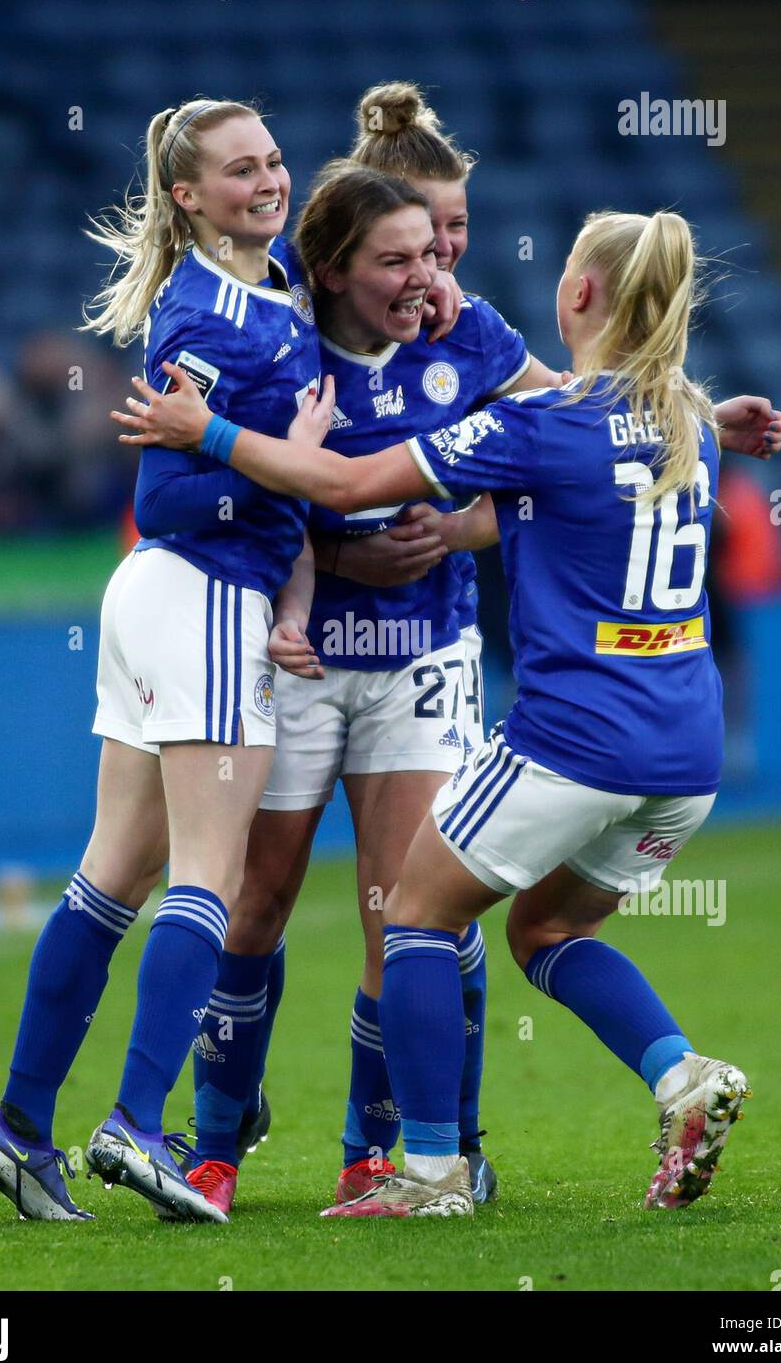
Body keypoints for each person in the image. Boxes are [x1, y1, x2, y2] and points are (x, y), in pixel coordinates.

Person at [113, 208, 781, 1217]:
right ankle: (680, 1075)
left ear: (576, 296)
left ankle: (429, 1170)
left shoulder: (538, 422)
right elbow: (529, 500)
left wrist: (202, 430)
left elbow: (345, 480)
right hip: (684, 756)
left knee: (416, 914)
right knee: (543, 932)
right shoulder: (683, 425)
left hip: (573, 742)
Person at [157, 161, 570, 1218]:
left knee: (402, 914)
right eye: (397, 258)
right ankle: (213, 1148)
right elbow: (224, 489)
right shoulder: (280, 338)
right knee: (254, 903)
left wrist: (469, 527)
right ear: (331, 271)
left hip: (422, 659)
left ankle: (369, 1152)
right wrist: (333, 566)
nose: (425, 275)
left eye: (434, 251)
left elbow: (581, 425)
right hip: (295, 655)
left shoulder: (465, 336)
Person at [0, 96, 324, 1224]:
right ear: (185, 195)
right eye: (238, 171)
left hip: (159, 604)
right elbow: (170, 492)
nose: (267, 181)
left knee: (110, 875)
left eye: (272, 160)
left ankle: (19, 1128)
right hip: (205, 595)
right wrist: (289, 463)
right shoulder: (214, 316)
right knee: (206, 878)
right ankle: (135, 1122)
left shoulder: (265, 284)